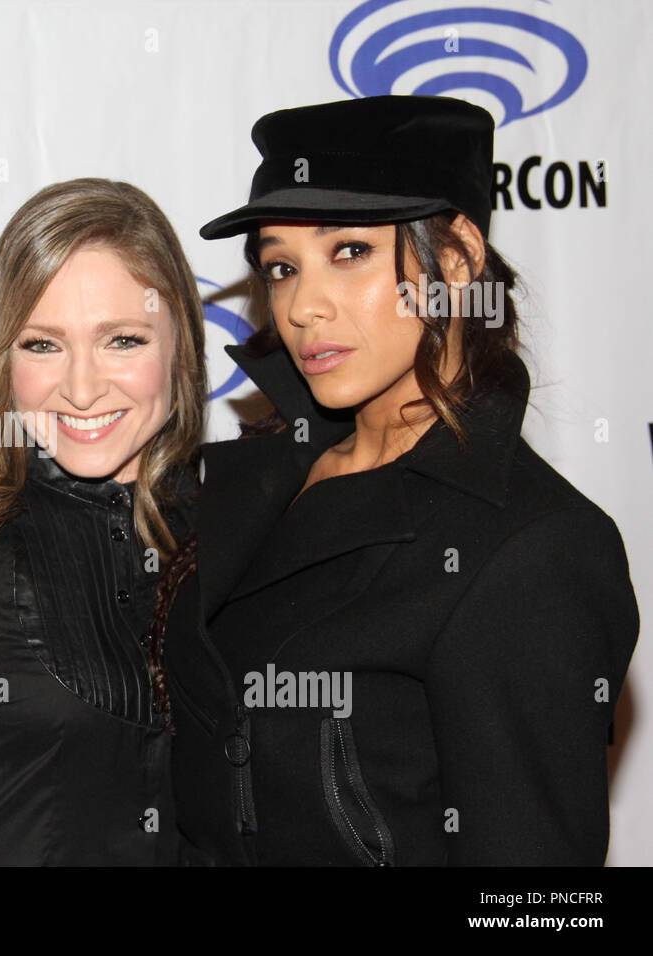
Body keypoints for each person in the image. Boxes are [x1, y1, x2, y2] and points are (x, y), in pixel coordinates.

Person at [158, 95, 640, 866]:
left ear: (455, 259)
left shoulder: (533, 548)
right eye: (281, 267)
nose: (304, 307)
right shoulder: (248, 482)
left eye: (348, 251)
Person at [0, 178, 208, 865]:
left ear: (180, 346)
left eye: (122, 340)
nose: (81, 388)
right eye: (43, 345)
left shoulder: (240, 535)